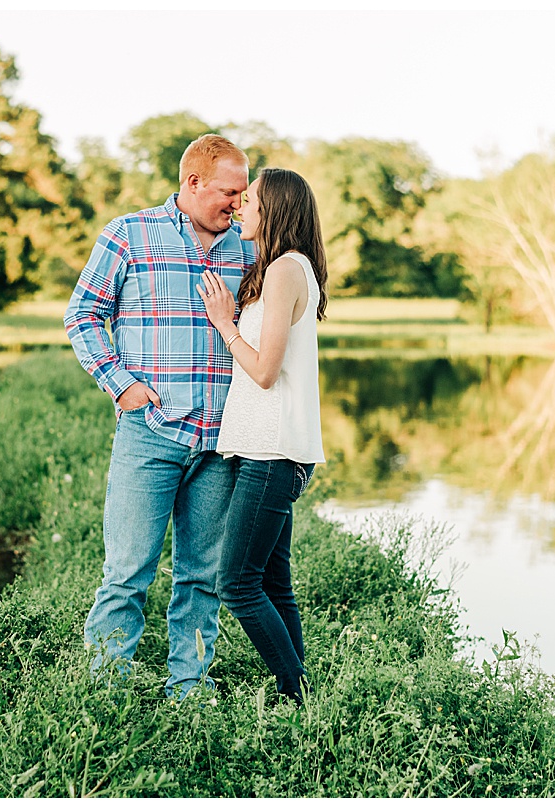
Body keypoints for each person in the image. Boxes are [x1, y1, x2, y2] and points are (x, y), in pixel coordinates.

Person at [64, 134, 256, 699]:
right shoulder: (130, 235)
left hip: (221, 442)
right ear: (193, 183)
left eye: (244, 195)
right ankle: (105, 698)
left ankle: (189, 693)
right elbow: (82, 316)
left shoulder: (247, 249)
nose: (238, 205)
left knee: (201, 578)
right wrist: (120, 386)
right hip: (150, 434)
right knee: (127, 574)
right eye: (229, 192)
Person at [195, 167, 327, 705]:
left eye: (249, 201)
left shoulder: (283, 272)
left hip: (271, 453)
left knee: (237, 584)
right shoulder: (284, 269)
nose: (239, 208)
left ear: (274, 210)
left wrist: (225, 322)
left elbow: (266, 371)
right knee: (274, 583)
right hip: (272, 449)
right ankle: (300, 702)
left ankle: (297, 693)